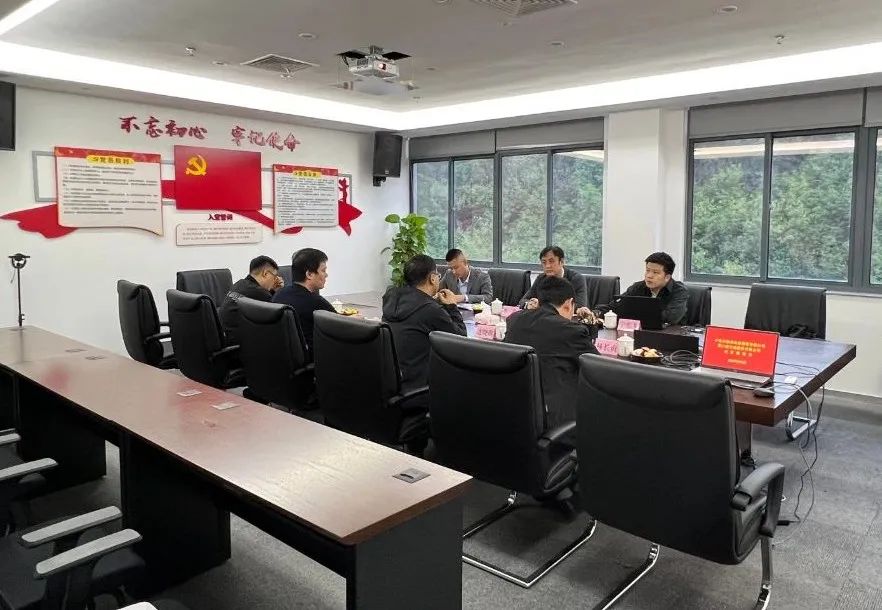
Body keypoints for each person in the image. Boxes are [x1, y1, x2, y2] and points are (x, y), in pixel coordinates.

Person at [504, 275, 598, 445]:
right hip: (554, 423)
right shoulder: (571, 330)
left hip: (512, 413)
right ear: (569, 303)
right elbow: (597, 369)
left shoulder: (514, 320)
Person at [382, 255, 467, 393]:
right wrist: (452, 305)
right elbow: (461, 339)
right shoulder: (430, 309)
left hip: (391, 384)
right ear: (432, 278)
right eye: (438, 275)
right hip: (419, 388)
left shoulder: (391, 298)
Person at [272, 248, 335, 352]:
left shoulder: (279, 294)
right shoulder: (316, 302)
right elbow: (342, 327)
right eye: (323, 270)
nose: (326, 275)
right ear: (309, 274)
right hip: (316, 357)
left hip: (284, 355)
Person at [218, 255, 282, 345]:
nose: (276, 280)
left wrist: (272, 291)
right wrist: (279, 291)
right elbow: (280, 316)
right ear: (265, 274)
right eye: (275, 276)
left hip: (225, 337)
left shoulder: (240, 284)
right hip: (239, 344)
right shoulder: (260, 293)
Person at [623, 252, 688, 326]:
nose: (649, 276)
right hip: (642, 330)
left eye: (655, 272)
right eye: (647, 270)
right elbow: (618, 305)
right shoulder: (638, 287)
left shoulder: (680, 291)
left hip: (671, 332)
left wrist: (636, 314)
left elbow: (671, 318)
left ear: (667, 277)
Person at [518, 245, 589, 313]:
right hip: (545, 317)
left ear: (561, 262)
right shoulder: (541, 278)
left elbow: (580, 306)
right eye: (544, 262)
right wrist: (529, 304)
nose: (547, 266)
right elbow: (523, 300)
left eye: (551, 261)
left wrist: (542, 306)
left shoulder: (576, 278)